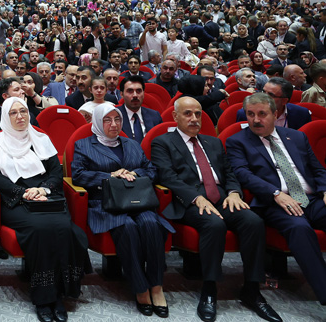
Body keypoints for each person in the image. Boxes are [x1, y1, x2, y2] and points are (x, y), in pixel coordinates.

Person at [151, 97, 278, 322]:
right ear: (175, 116)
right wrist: (196, 198)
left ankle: (252, 290)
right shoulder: (163, 142)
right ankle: (209, 289)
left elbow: (229, 173)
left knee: (253, 221)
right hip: (188, 201)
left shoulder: (214, 142)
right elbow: (168, 177)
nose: (194, 118)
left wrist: (234, 192)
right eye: (188, 114)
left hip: (221, 198)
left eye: (198, 114)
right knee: (214, 224)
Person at [0, 97, 90, 322]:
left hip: (47, 196)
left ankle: (59, 295)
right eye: (13, 113)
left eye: (23, 111)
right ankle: (44, 298)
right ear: (5, 117)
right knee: (40, 229)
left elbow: (56, 172)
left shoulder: (40, 138)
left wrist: (43, 189)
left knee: (64, 228)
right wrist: (23, 192)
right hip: (16, 199)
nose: (20, 116)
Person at [70, 104, 173, 317]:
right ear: (98, 122)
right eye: (107, 120)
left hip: (137, 201)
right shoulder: (84, 145)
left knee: (151, 224)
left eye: (117, 119)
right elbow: (78, 175)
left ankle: (156, 286)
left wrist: (133, 173)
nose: (114, 124)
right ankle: (140, 287)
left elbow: (151, 170)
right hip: (105, 204)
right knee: (126, 227)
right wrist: (110, 176)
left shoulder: (132, 144)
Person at [226, 92, 326, 308]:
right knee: (300, 228)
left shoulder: (296, 137)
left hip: (312, 199)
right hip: (275, 203)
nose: (256, 120)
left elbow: (318, 169)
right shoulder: (237, 141)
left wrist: (325, 190)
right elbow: (243, 174)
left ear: (275, 114)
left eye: (262, 114)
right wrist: (275, 193)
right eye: (250, 114)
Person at [236, 77, 311, 130]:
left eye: (271, 95)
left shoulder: (301, 114)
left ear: (284, 101)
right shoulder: (245, 114)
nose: (263, 97)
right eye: (263, 92)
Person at [117, 75, 162, 142]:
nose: (135, 95)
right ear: (121, 94)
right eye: (130, 91)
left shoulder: (155, 116)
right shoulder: (114, 116)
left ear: (143, 93)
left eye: (139, 91)